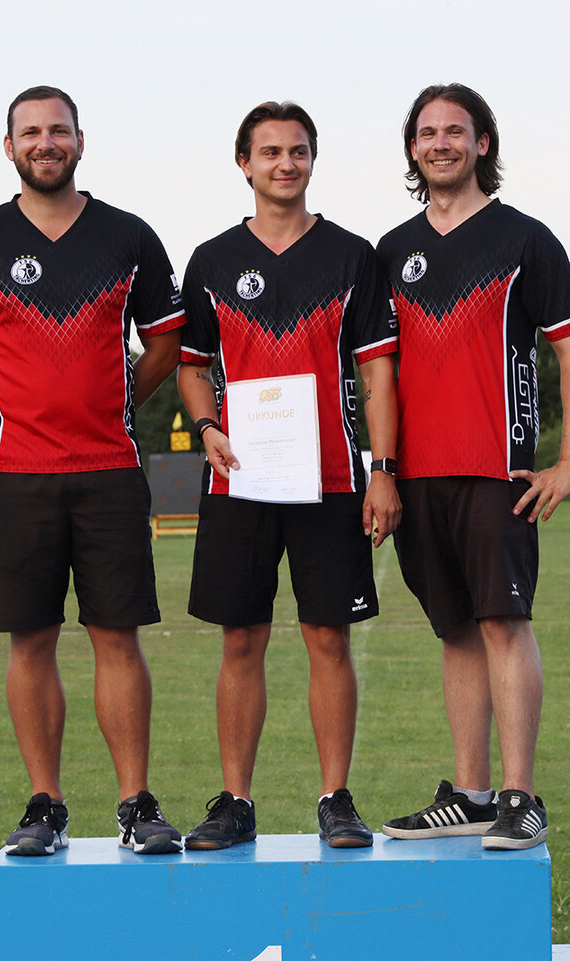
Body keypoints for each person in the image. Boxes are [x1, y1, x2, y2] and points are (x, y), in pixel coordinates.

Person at [0, 85, 184, 856]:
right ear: (9, 146)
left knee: (118, 638)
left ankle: (135, 803)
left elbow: (165, 344)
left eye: (59, 130)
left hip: (110, 469)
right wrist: (15, 408)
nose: (47, 142)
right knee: (30, 641)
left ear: (80, 140)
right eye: (32, 132)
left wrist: (113, 403)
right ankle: (45, 803)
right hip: (17, 473)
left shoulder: (129, 238)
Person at [375, 83, 570, 850]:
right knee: (455, 631)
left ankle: (520, 796)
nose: (440, 143)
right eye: (427, 133)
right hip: (417, 476)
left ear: (482, 144)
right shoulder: (390, 252)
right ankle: (470, 794)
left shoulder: (525, 240)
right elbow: (376, 372)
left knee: (504, 621)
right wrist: (381, 469)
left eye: (455, 131)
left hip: (497, 471)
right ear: (412, 149)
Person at [176, 101, 400, 849]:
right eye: (269, 152)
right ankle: (235, 801)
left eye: (297, 150)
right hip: (240, 479)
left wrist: (382, 469)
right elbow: (191, 367)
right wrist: (207, 427)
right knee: (241, 639)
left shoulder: (353, 257)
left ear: (312, 159)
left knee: (327, 637)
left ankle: (336, 797)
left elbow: (377, 373)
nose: (285, 163)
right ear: (244, 163)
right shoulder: (211, 261)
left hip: (331, 479)